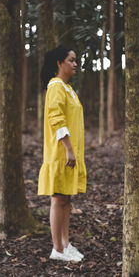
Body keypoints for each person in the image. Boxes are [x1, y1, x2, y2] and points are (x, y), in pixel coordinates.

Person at [38, 46, 87, 262]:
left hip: (70, 153)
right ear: (59, 63)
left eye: (76, 60)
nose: (75, 64)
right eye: (71, 60)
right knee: (58, 199)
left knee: (66, 199)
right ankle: (57, 248)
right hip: (60, 152)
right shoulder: (56, 86)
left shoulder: (67, 88)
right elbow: (56, 118)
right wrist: (68, 148)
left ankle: (65, 244)